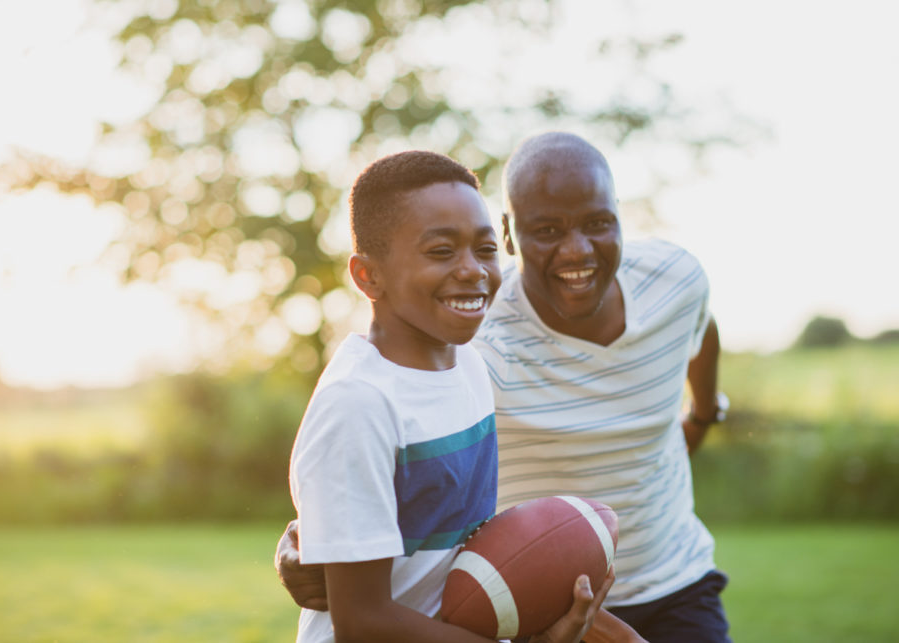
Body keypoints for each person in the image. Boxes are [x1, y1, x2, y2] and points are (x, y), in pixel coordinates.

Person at [279, 133, 730, 642]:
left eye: (483, 248)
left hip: (664, 579)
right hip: (508, 606)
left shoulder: (466, 363)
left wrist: (703, 412)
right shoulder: (457, 357)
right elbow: (363, 603)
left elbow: (701, 327)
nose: (471, 269)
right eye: (442, 250)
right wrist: (305, 541)